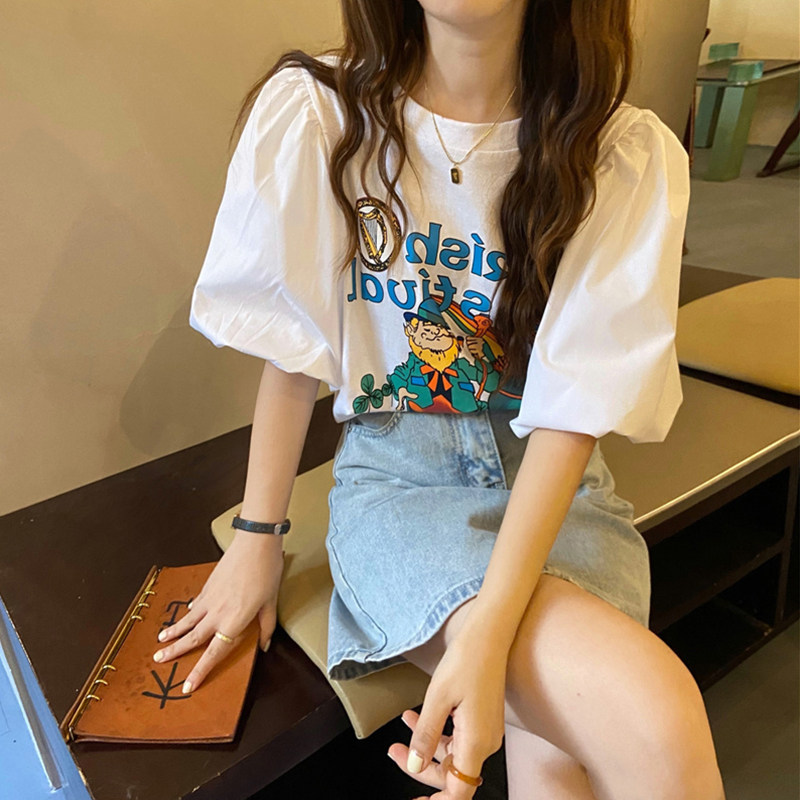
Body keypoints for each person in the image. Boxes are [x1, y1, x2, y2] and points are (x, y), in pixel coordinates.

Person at [153, 2, 726, 798]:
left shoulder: (617, 149)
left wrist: (491, 629)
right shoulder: (321, 115)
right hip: (400, 479)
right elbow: (293, 349)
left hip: (553, 485)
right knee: (651, 715)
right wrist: (257, 537)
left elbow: (572, 410)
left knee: (558, 749)